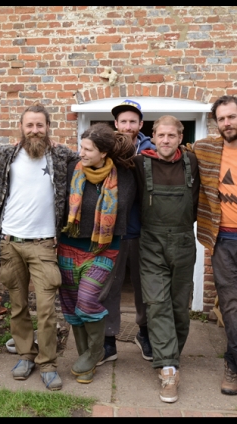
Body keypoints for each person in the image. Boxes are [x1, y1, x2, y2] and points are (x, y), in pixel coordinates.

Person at [0, 103, 78, 391]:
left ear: (49, 127)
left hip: (44, 244)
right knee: (18, 305)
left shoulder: (61, 156)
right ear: (20, 128)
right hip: (10, 243)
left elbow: (95, 155)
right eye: (29, 125)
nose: (35, 130)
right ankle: (25, 355)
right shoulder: (4, 155)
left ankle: (48, 363)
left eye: (40, 125)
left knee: (47, 309)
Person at [58, 123, 136, 384]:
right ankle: (87, 362)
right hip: (69, 246)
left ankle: (95, 351)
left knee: (88, 301)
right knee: (70, 305)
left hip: (104, 248)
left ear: (103, 153)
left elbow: (125, 208)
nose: (81, 153)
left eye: (88, 149)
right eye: (81, 147)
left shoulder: (124, 174)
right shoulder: (72, 170)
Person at [134, 115, 200, 404]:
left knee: (179, 308)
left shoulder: (193, 161)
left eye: (171, 136)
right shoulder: (140, 163)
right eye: (160, 135)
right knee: (157, 303)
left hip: (184, 241)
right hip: (151, 242)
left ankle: (170, 354)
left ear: (180, 137)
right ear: (153, 135)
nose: (165, 141)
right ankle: (168, 369)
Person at [99, 100, 155, 366]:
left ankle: (144, 333)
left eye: (133, 121)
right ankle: (108, 340)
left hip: (145, 231)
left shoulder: (152, 150)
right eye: (123, 121)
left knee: (145, 288)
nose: (128, 126)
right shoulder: (105, 151)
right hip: (113, 232)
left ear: (141, 125)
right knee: (109, 286)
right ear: (116, 125)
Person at [193, 95, 237, 397]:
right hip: (224, 238)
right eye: (222, 119)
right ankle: (232, 366)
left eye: (232, 117)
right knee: (231, 306)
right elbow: (169, 147)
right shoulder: (207, 148)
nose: (227, 123)